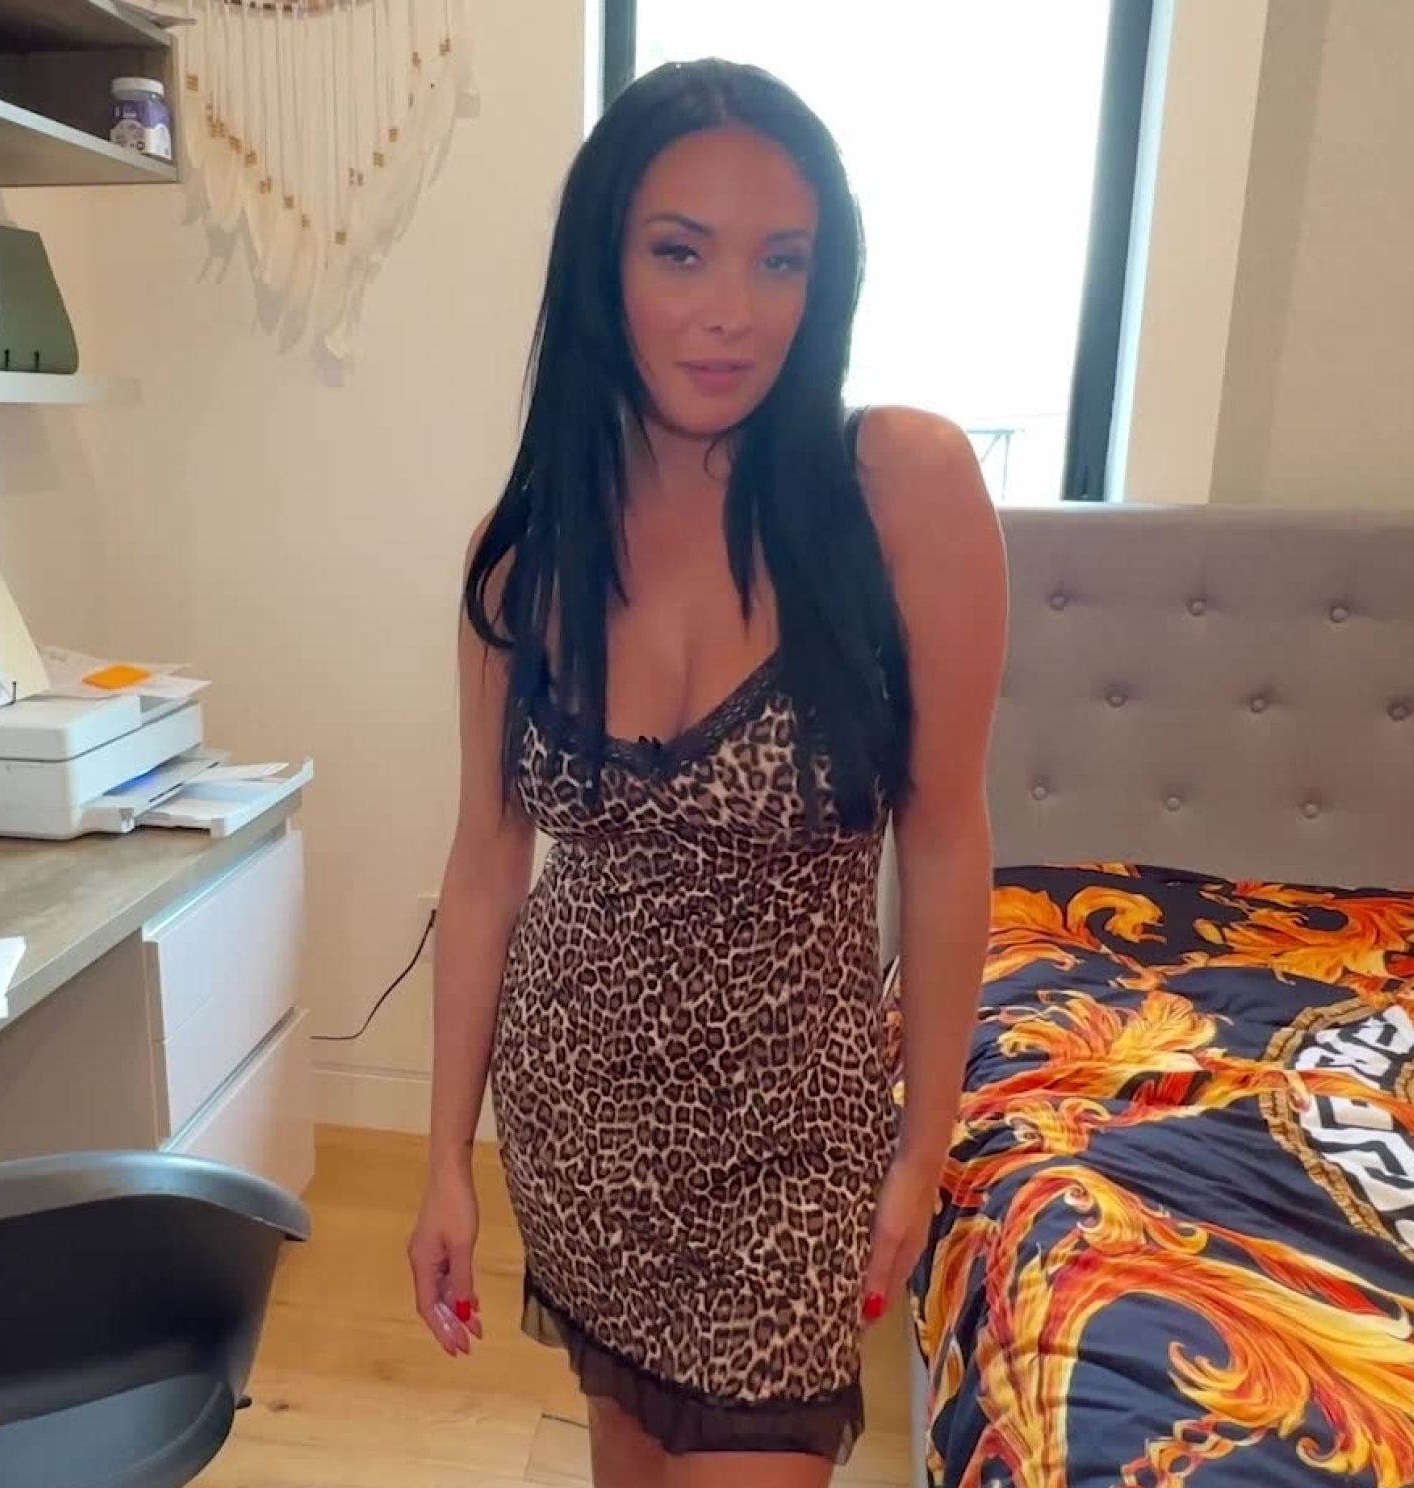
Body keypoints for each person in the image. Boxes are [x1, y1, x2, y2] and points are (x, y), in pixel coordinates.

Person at [406, 56, 1008, 1488]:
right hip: (577, 1115)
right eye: (681, 253)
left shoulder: (900, 489)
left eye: (780, 259)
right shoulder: (525, 549)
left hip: (797, 1139)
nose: (735, 309)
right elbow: (486, 868)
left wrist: (922, 1149)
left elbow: (944, 838)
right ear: (603, 265)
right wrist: (443, 1164)